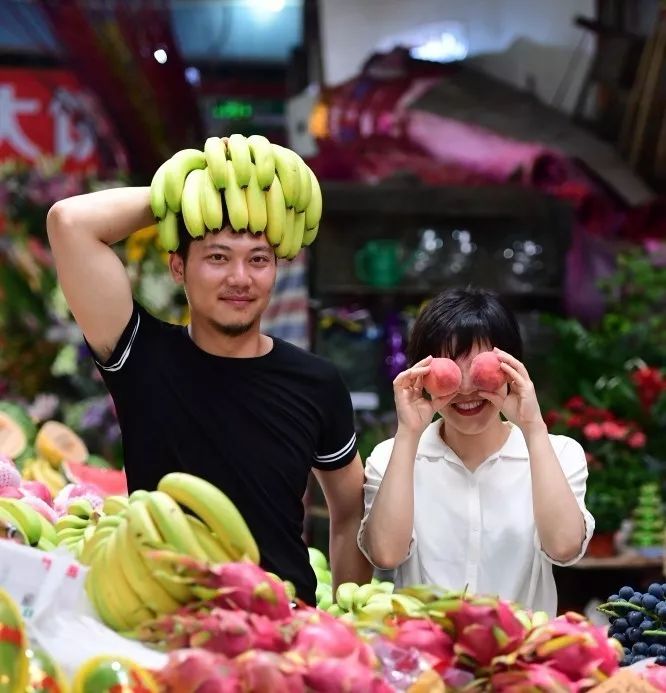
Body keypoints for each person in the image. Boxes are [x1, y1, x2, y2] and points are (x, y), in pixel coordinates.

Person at [46, 182, 372, 605]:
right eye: (218, 257)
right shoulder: (140, 353)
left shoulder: (317, 382)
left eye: (259, 260)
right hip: (166, 618)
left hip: (288, 625)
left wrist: (350, 615)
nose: (240, 278)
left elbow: (349, 511)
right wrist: (197, 187)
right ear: (178, 267)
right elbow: (69, 222)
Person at [358, 288, 594, 616]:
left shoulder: (557, 453)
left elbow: (565, 548)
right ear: (421, 374)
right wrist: (408, 433)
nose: (467, 388)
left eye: (480, 367)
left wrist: (533, 427)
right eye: (451, 370)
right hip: (425, 657)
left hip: (521, 658)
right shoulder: (391, 457)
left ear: (513, 367)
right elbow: (385, 554)